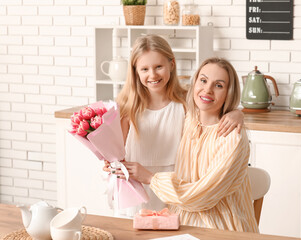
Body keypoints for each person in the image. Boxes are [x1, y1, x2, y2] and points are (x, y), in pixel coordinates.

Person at [104, 35, 244, 218]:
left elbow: (212, 115)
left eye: (158, 67)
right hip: (136, 192)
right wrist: (110, 164)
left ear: (172, 64)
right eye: (144, 69)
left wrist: (238, 113)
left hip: (175, 192)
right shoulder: (126, 109)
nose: (152, 75)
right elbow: (116, 155)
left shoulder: (186, 103)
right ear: (135, 72)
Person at [117, 57, 259, 232]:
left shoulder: (232, 137)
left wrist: (150, 178)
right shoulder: (189, 118)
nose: (207, 90)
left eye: (219, 85)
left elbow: (203, 196)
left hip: (221, 228)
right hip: (180, 223)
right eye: (204, 80)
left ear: (229, 93)